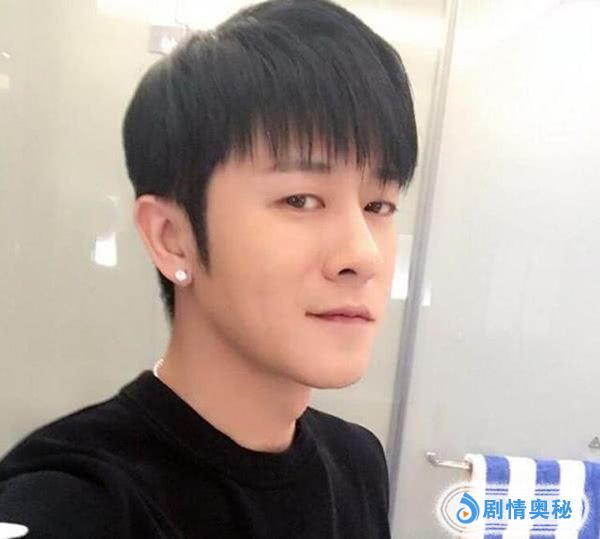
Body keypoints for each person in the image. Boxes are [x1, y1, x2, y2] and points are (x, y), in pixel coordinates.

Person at [0, 0, 417, 536]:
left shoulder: (356, 461)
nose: (364, 256)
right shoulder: (79, 501)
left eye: (378, 205)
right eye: (300, 200)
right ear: (171, 239)